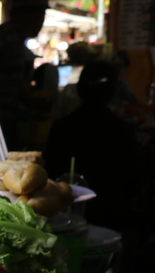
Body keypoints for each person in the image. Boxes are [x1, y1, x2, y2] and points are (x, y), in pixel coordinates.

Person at [43, 60, 140, 231]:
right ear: (112, 91)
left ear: (80, 89)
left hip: (65, 221)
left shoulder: (62, 127)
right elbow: (132, 184)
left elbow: (49, 175)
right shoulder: (121, 130)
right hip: (111, 220)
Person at [0, 0, 48, 150]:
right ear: (31, 15)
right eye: (41, 15)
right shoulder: (8, 39)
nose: (41, 22)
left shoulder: (8, 36)